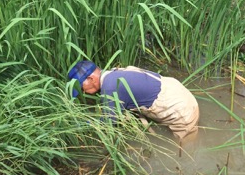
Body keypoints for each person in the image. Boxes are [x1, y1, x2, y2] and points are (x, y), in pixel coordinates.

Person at [68, 60, 199, 140]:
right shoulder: (114, 74)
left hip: (180, 109)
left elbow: (107, 124)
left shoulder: (110, 88)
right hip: (175, 90)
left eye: (81, 87)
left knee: (185, 153)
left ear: (91, 79)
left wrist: (82, 123)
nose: (82, 91)